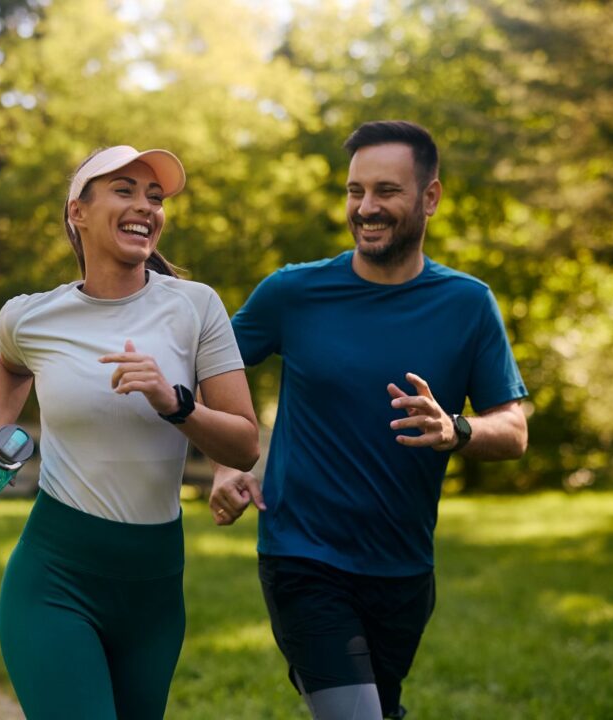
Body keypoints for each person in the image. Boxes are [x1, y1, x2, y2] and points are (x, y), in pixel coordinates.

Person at [210, 120, 529, 720]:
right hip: (302, 556)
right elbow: (208, 366)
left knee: (380, 710)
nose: (367, 207)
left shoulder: (467, 303)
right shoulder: (294, 293)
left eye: (387, 191)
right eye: (356, 192)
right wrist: (227, 460)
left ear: (430, 197)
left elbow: (512, 430)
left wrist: (455, 430)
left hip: (403, 568)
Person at [0, 145, 260, 720]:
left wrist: (175, 402)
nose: (145, 206)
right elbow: (10, 365)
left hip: (154, 589)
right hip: (55, 579)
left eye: (155, 197)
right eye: (124, 190)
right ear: (78, 212)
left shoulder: (196, 309)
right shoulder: (30, 317)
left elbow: (243, 443)